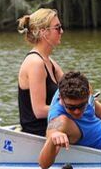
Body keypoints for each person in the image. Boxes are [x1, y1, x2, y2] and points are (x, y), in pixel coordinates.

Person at [17, 8, 65, 136]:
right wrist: (73, 108)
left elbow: (72, 87)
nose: (62, 31)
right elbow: (39, 110)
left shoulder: (50, 62)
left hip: (54, 123)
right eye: (57, 28)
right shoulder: (35, 63)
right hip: (39, 132)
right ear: (44, 32)